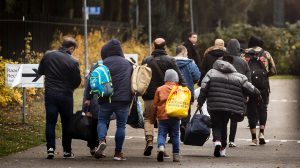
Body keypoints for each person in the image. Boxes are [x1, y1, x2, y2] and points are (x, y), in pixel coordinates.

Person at [197, 54, 261, 157]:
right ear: (232, 63)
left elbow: (204, 88)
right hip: (229, 107)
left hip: (214, 104)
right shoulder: (239, 76)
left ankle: (217, 141)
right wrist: (258, 94)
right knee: (224, 124)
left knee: (215, 123)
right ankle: (223, 147)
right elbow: (250, 88)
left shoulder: (211, 72)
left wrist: (200, 101)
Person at [85, 39, 133, 161]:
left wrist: (88, 98)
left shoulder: (100, 64)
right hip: (123, 99)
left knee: (102, 120)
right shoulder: (128, 64)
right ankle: (118, 153)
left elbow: (90, 82)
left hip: (105, 98)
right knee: (121, 126)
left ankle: (101, 140)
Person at [38, 37, 81, 159]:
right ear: (71, 48)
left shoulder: (48, 55)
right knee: (67, 123)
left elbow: (40, 71)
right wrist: (70, 87)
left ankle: (50, 149)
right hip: (66, 96)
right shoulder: (73, 61)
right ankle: (67, 151)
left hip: (50, 94)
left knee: (50, 122)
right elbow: (77, 81)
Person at [141, 38, 186, 157]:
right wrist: (185, 90)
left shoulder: (146, 60)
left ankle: (149, 139)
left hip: (149, 95)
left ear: (154, 46)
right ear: (165, 47)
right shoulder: (170, 60)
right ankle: (162, 147)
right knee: (165, 120)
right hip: (168, 96)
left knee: (148, 118)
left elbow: (142, 77)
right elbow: (179, 77)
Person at [241, 36, 277, 146]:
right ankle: (261, 133)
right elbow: (274, 70)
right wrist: (265, 75)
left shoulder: (244, 54)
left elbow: (240, 70)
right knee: (263, 108)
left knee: (251, 110)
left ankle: (253, 139)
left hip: (249, 85)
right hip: (263, 86)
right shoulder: (265, 54)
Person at [150, 69, 182, 162]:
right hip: (175, 116)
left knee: (162, 134)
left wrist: (152, 118)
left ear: (165, 78)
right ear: (176, 79)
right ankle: (176, 156)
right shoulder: (179, 89)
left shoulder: (160, 89)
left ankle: (161, 148)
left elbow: (155, 104)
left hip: (162, 116)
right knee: (175, 135)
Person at [226, 39, 251, 147]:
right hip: (238, 92)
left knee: (223, 117)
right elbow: (247, 80)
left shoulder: (222, 60)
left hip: (224, 91)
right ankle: (231, 140)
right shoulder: (243, 62)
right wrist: (247, 94)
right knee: (234, 117)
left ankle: (221, 140)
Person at [174, 45, 201, 141]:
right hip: (187, 90)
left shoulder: (170, 62)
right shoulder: (190, 63)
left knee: (172, 110)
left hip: (173, 91)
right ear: (183, 52)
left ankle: (172, 135)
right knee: (186, 111)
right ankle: (184, 125)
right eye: (187, 53)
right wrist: (191, 82)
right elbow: (197, 75)